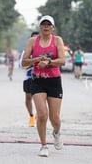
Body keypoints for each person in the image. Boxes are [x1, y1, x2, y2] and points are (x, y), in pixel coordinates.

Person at [21, 15, 65, 157]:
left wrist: (48, 62)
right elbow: (24, 62)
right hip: (38, 80)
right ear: (40, 27)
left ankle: (56, 133)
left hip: (54, 80)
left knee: (55, 118)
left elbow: (62, 61)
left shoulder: (57, 40)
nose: (46, 27)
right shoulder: (33, 41)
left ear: (52, 27)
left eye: (49, 24)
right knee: (42, 114)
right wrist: (36, 59)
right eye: (43, 24)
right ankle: (43, 145)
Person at [19, 31, 39, 127]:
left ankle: (39, 114)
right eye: (33, 39)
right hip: (28, 77)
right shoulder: (26, 51)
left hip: (40, 77)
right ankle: (31, 116)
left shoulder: (43, 51)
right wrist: (33, 61)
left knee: (40, 98)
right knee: (28, 97)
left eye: (37, 38)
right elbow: (21, 65)